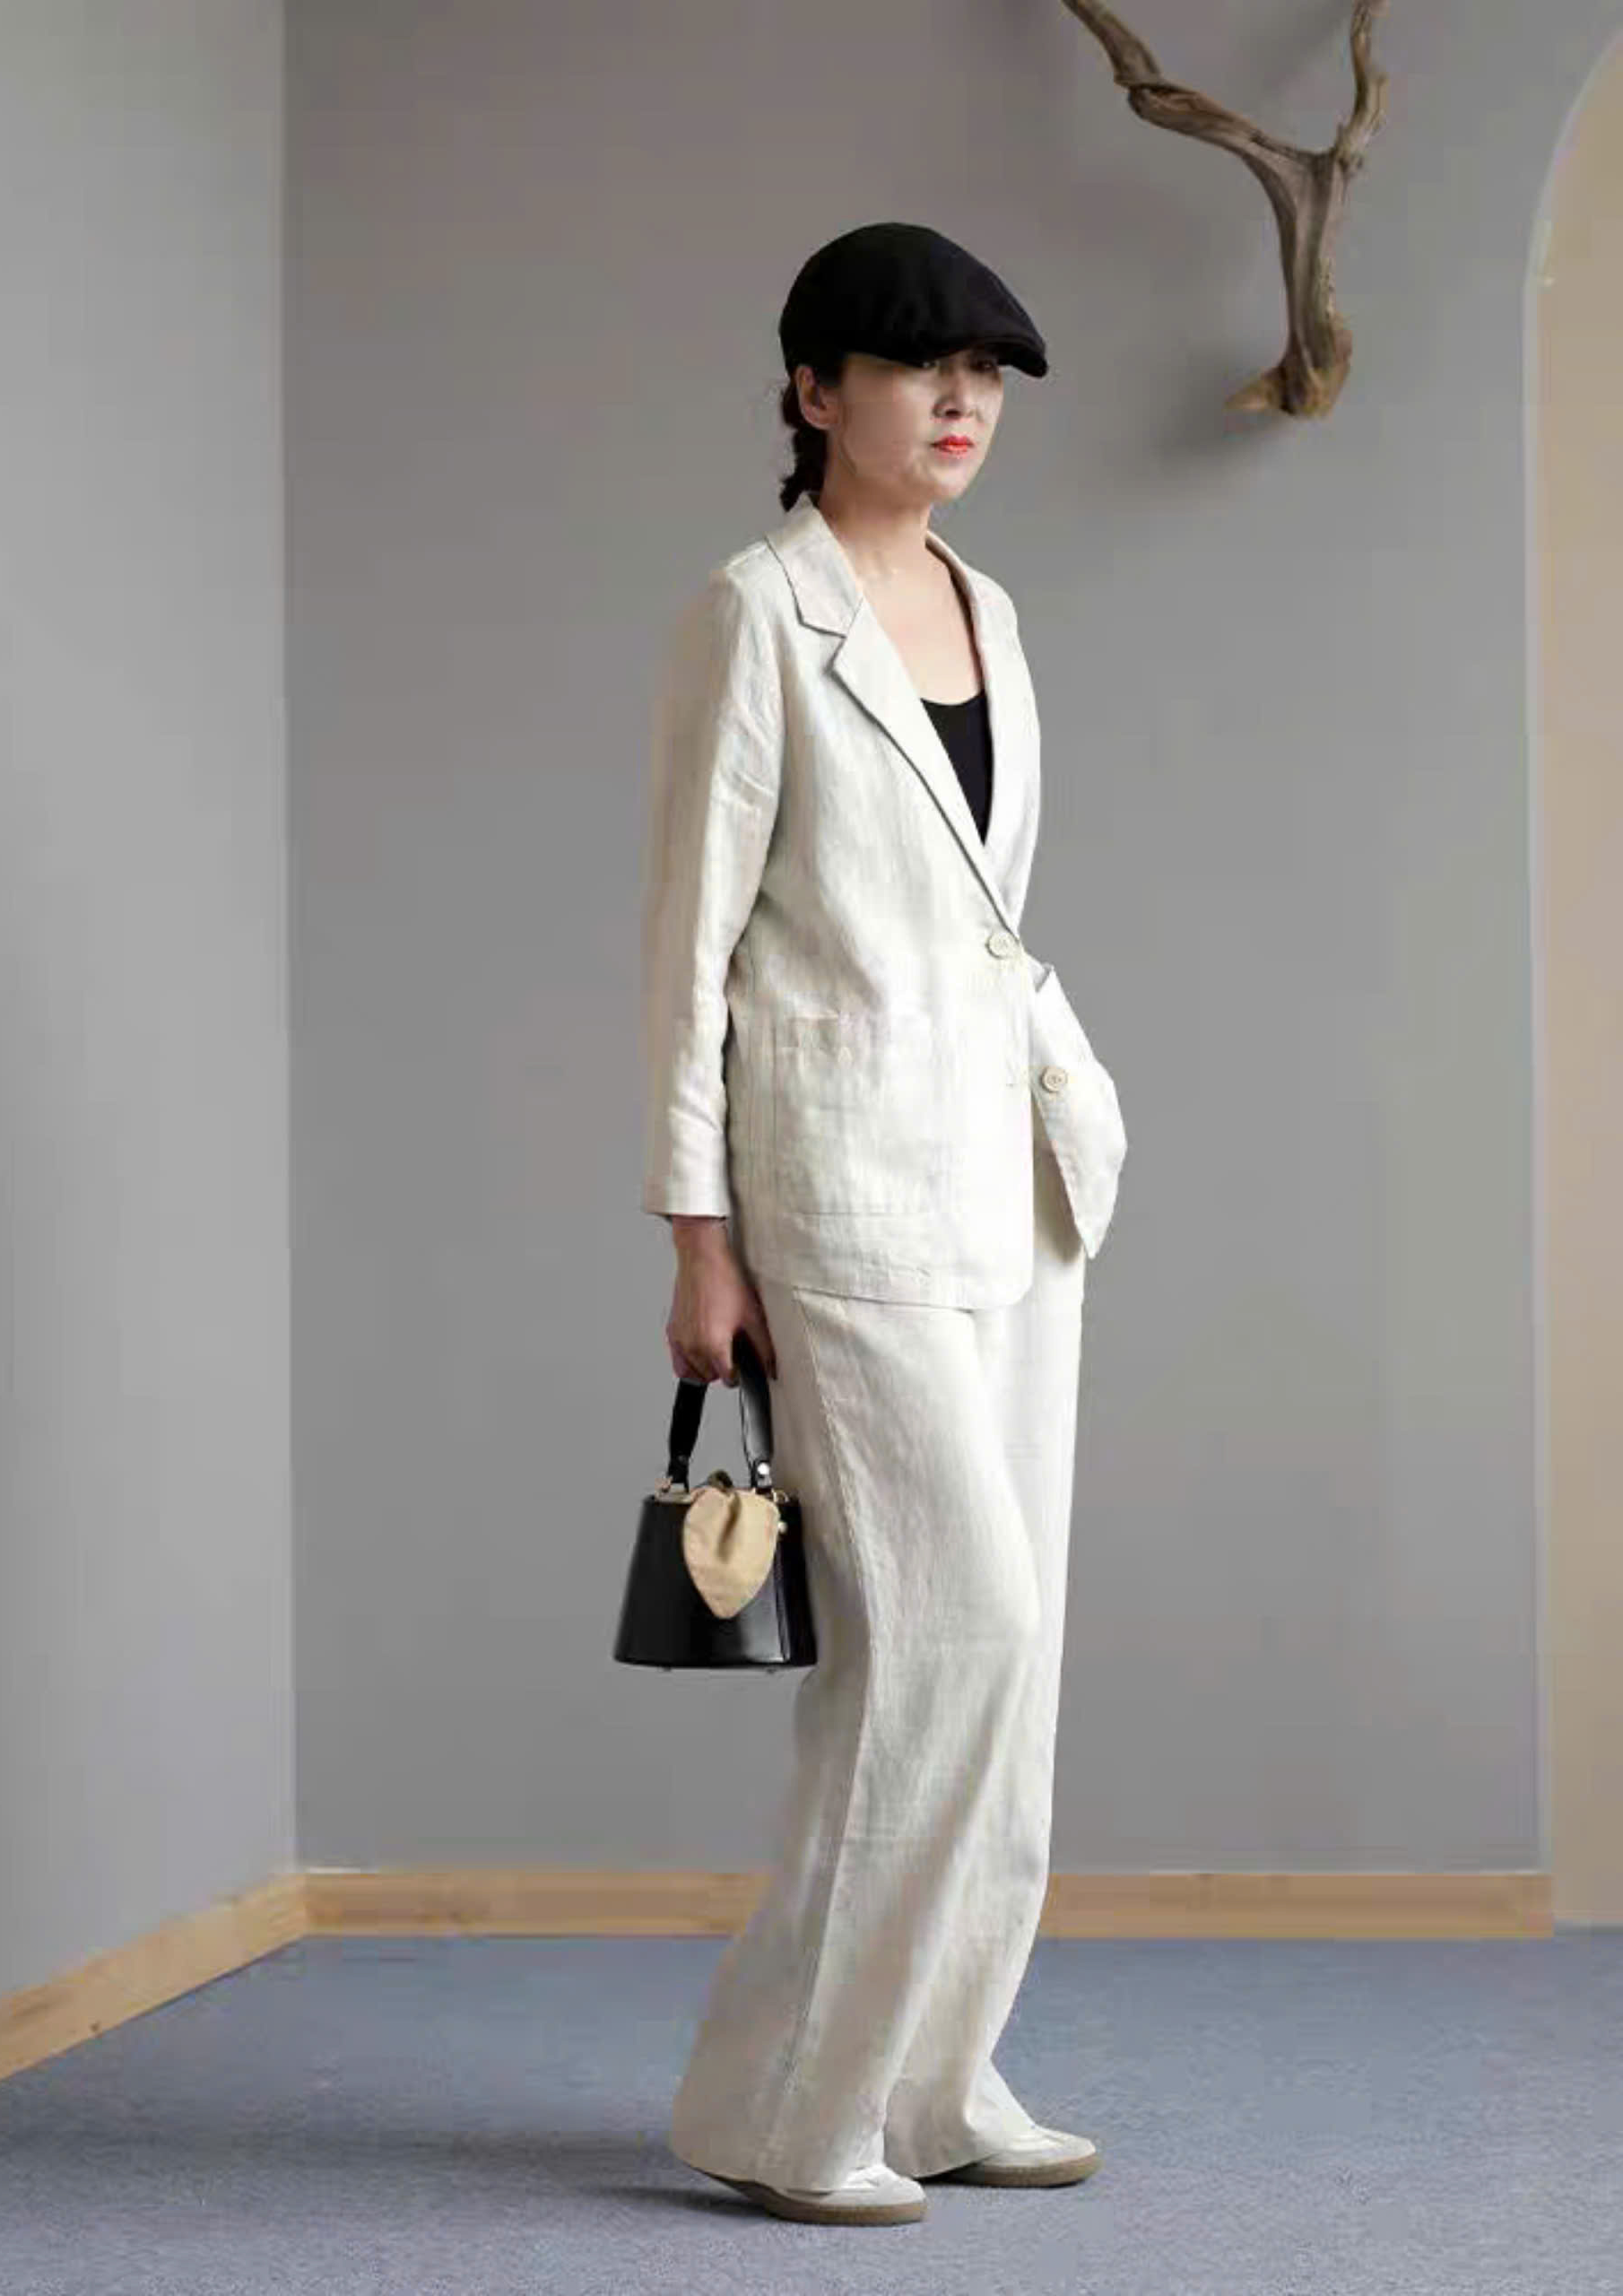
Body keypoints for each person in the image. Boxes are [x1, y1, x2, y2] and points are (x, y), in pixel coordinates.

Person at [639, 222, 1129, 2228]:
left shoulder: (989, 608)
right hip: (837, 1189)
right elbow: (690, 947)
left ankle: (934, 2074)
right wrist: (698, 1231)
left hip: (1015, 1174)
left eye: (985, 379)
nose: (958, 404)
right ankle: (794, 2101)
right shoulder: (756, 613)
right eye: (922, 369)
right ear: (812, 390)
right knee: (948, 1633)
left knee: (1015, 1657)